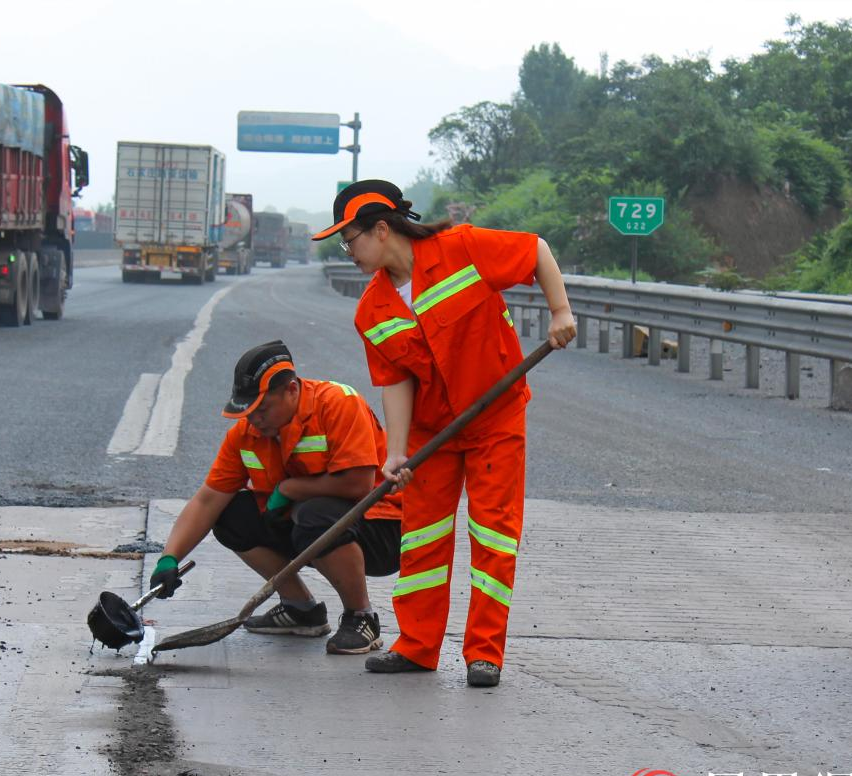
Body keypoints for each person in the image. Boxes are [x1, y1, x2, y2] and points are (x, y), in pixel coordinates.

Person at [311, 179, 576, 687]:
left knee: (493, 535)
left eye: (351, 240)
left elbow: (535, 250)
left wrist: (560, 311)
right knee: (423, 539)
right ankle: (417, 646)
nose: (349, 252)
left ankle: (484, 653)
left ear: (381, 229)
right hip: (434, 433)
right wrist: (396, 453)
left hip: (494, 419)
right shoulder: (373, 310)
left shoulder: (462, 248)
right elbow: (395, 383)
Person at [150, 339, 402, 655]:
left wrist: (289, 489)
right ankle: (301, 609)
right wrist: (169, 557)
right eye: (249, 412)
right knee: (231, 516)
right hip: (307, 525)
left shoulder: (337, 404)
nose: (254, 419)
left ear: (292, 390)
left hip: (380, 529)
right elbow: (208, 500)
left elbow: (359, 485)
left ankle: (361, 616)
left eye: (263, 409)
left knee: (312, 514)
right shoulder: (246, 434)